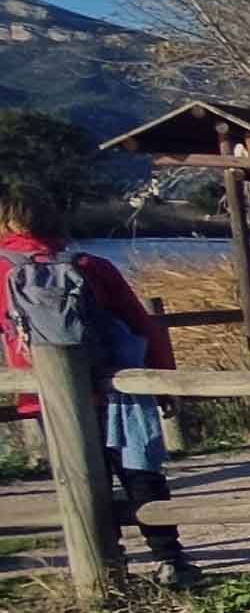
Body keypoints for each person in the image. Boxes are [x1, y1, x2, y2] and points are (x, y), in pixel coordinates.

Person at [2, 181, 201, 588]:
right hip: (115, 389)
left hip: (48, 397)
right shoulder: (90, 265)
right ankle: (171, 560)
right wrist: (161, 383)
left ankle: (105, 565)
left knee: (79, 478)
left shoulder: (4, 268)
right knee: (138, 470)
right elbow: (141, 325)